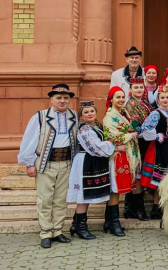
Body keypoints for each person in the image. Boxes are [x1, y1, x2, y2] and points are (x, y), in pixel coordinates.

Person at [18, 84, 79, 248]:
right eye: (59, 98)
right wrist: (29, 163)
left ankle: (57, 231)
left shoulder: (75, 116)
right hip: (46, 163)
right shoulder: (40, 116)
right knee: (45, 199)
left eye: (66, 98)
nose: (62, 101)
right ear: (51, 99)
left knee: (60, 200)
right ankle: (45, 232)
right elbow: (30, 140)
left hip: (66, 163)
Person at [67, 100, 115, 240]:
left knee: (86, 196)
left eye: (92, 111)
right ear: (81, 116)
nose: (90, 114)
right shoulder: (84, 129)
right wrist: (113, 146)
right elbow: (96, 147)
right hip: (85, 162)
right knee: (83, 196)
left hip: (93, 162)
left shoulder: (96, 126)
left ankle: (76, 225)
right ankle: (81, 228)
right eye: (86, 112)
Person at [103, 86, 141, 236]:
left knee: (119, 188)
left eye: (122, 97)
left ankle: (108, 221)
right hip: (117, 155)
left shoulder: (122, 113)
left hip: (126, 153)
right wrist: (131, 135)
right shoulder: (109, 116)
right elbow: (111, 136)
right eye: (117, 97)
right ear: (111, 99)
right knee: (115, 189)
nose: (120, 100)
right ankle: (114, 223)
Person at [140, 85, 168, 219]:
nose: (165, 100)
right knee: (159, 179)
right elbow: (145, 127)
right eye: (162, 97)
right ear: (158, 99)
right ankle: (156, 207)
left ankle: (167, 206)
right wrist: (156, 135)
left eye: (167, 97)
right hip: (160, 148)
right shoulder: (156, 113)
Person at [121, 77, 153, 221]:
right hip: (135, 141)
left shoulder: (146, 103)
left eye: (141, 88)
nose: (139, 90)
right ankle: (138, 209)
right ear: (131, 90)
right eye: (136, 88)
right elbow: (132, 124)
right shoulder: (129, 104)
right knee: (136, 172)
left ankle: (130, 208)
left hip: (146, 141)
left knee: (140, 172)